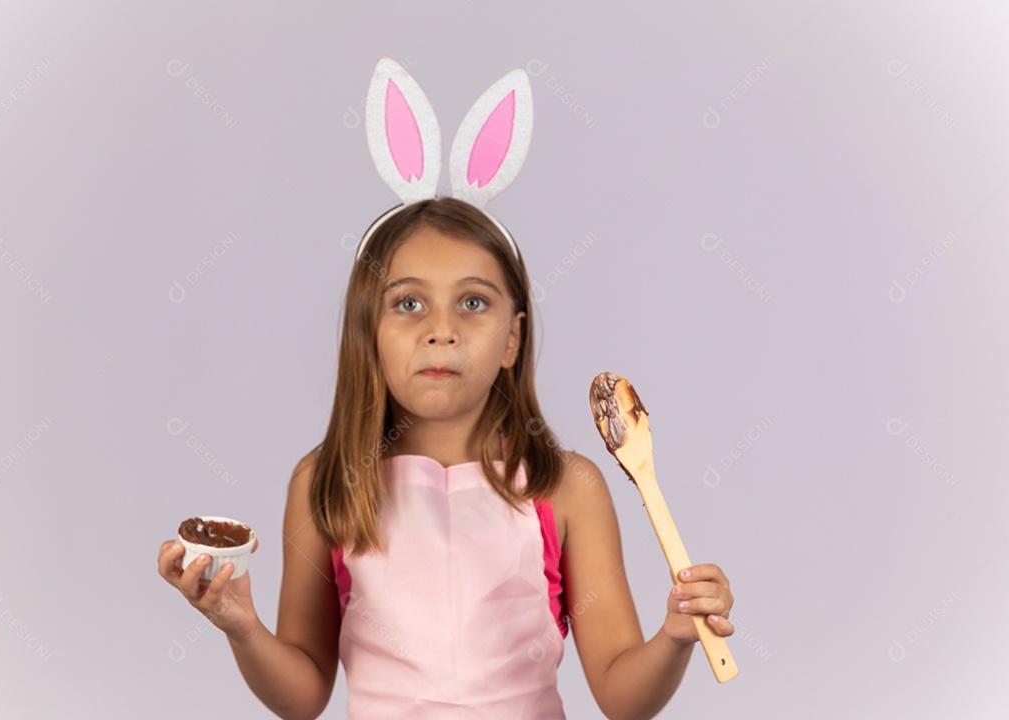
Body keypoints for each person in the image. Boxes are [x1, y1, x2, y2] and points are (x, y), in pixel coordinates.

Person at [157, 58, 735, 720]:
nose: (441, 330)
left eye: (474, 303)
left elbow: (621, 695)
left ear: (514, 338)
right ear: (368, 331)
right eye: (407, 305)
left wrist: (676, 636)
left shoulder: (568, 488)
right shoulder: (324, 482)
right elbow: (304, 693)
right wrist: (242, 627)